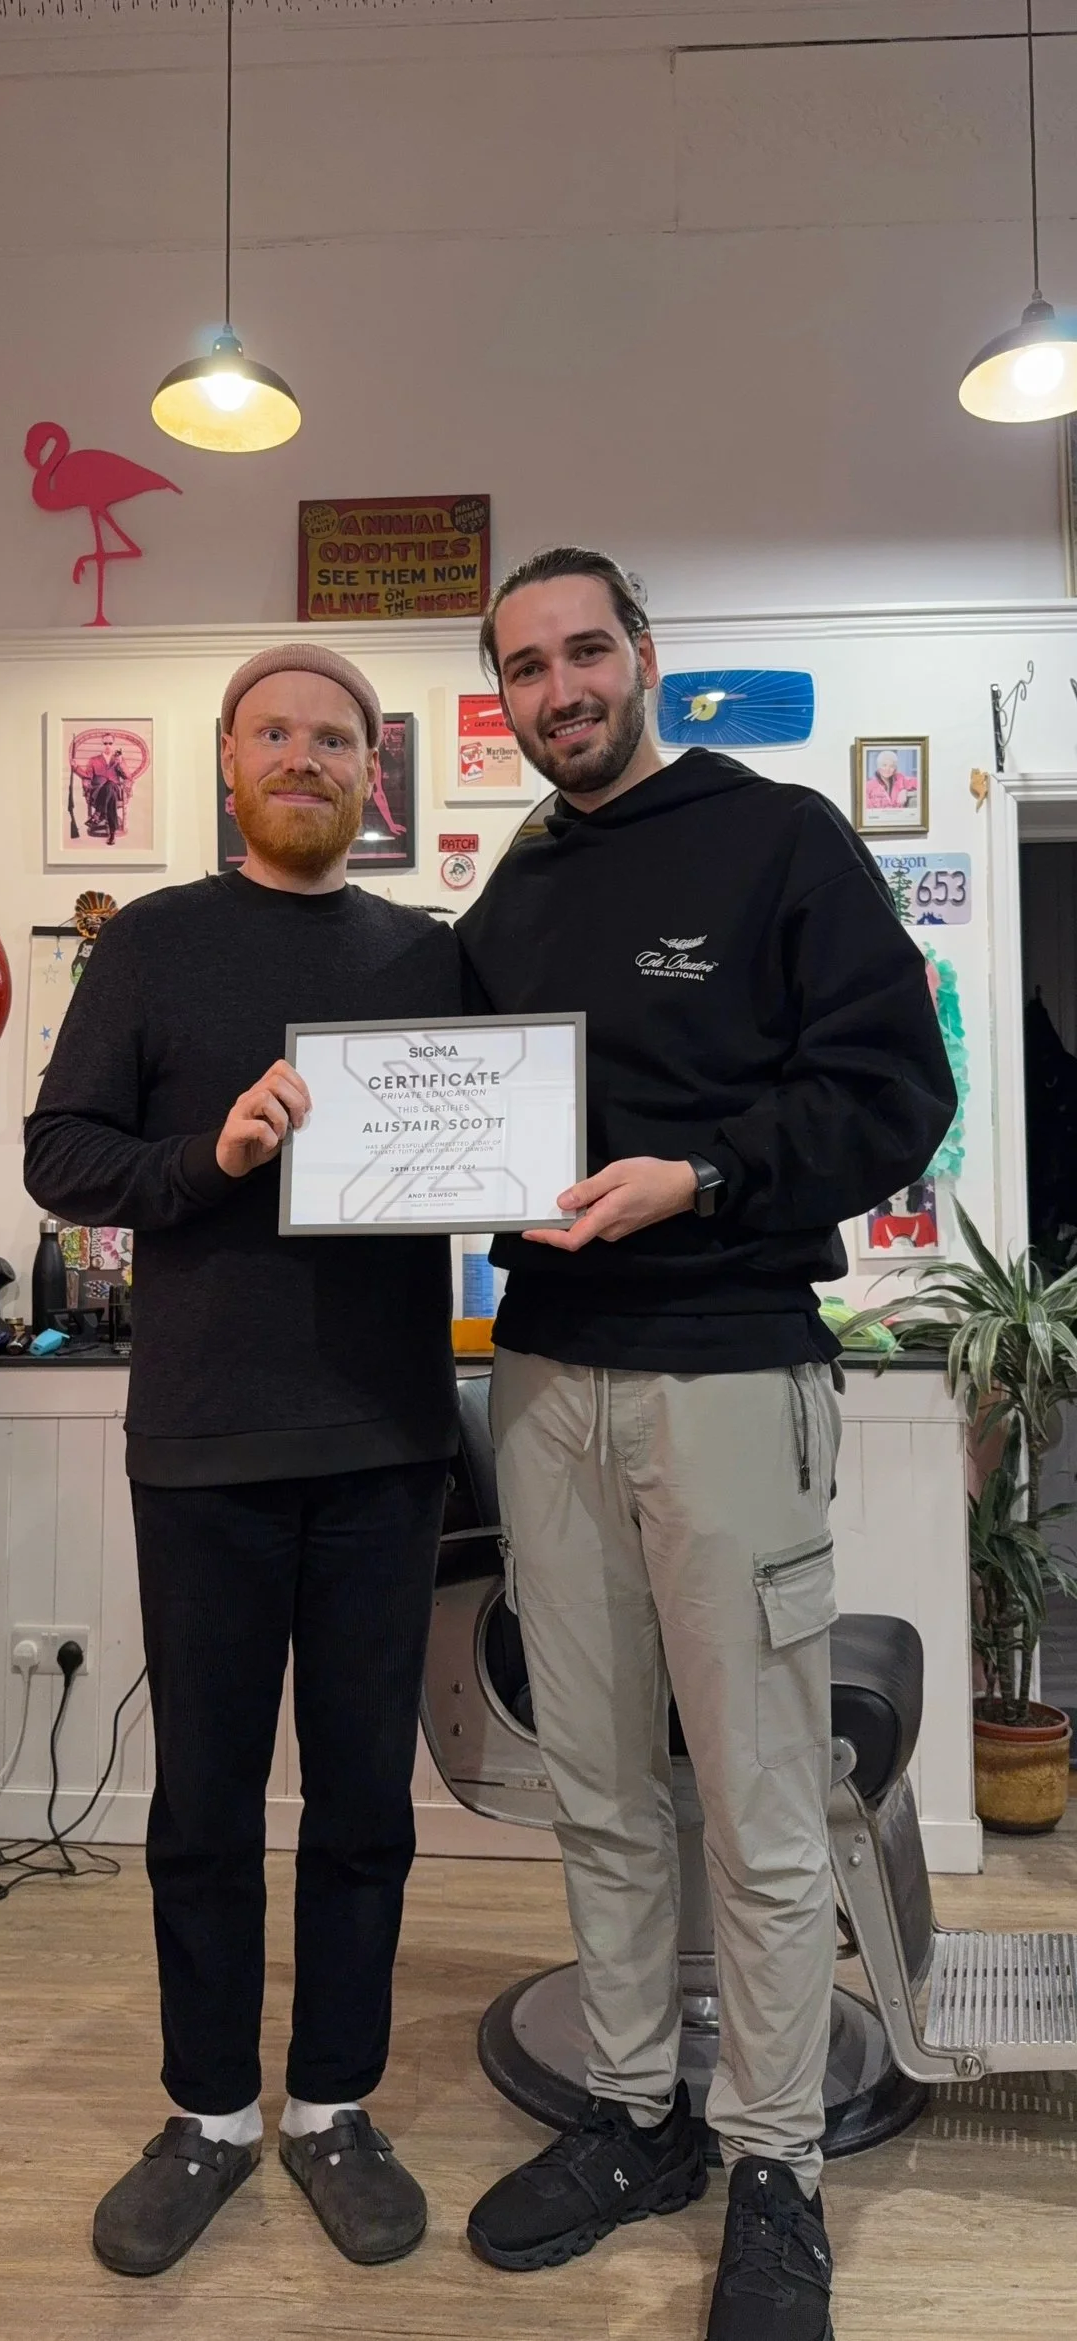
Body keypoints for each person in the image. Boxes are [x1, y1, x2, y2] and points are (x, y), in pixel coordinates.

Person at [456, 548, 956, 2339]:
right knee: (594, 1782)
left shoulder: (779, 840)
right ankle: (634, 2114)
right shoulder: (514, 889)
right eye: (526, 667)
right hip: (543, 1377)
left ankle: (771, 2163)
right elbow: (440, 1100)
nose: (560, 689)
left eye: (585, 650)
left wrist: (711, 1175)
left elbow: (896, 1093)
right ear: (505, 698)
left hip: (729, 1371)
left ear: (645, 656)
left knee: (758, 1797)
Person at [25, 644, 461, 2278]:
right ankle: (208, 2114)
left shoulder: (428, 955)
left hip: (387, 1439)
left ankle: (334, 2104)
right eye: (273, 730)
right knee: (204, 1801)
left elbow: (487, 1135)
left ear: (371, 771)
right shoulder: (150, 943)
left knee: (363, 1801)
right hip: (205, 1441)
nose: (303, 754)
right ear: (227, 760)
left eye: (334, 736)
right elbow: (61, 1155)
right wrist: (209, 1157)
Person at [865, 747, 918, 813]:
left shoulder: (900, 780)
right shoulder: (869, 786)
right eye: (884, 765)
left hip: (899, 817)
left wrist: (904, 791)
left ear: (895, 768)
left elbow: (921, 783)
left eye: (892, 766)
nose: (888, 769)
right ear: (878, 766)